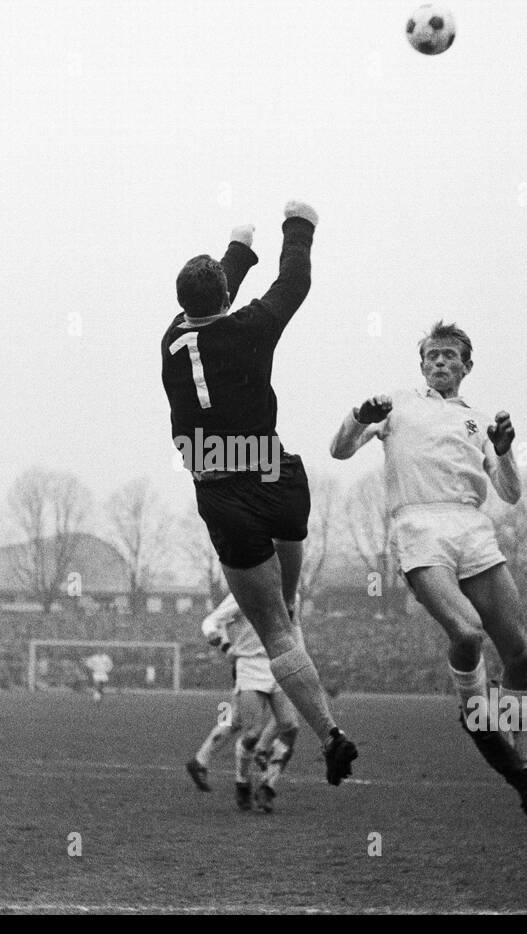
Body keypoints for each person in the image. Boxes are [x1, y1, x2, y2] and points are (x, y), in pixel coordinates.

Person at [161, 201, 357, 785]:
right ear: (224, 298)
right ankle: (294, 620)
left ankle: (331, 735)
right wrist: (297, 227)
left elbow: (213, 295)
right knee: (288, 612)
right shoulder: (250, 328)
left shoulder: (171, 338)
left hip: (219, 488)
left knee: (274, 630)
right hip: (271, 470)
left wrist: (236, 248)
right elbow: (293, 279)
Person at [330, 322, 527, 824]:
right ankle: (476, 713)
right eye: (432, 355)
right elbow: (339, 450)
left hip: (473, 528)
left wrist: (506, 448)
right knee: (468, 632)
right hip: (419, 526)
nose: (440, 363)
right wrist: (355, 417)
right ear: (422, 363)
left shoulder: (477, 420)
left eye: (451, 356)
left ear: (467, 366)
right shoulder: (397, 405)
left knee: (522, 654)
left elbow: (511, 493)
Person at [187, 593, 299, 812]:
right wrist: (224, 645)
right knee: (248, 728)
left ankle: (266, 787)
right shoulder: (246, 588)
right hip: (250, 666)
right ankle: (241, 778)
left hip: (281, 665)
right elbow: (211, 621)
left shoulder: (292, 594)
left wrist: (300, 662)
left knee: (288, 726)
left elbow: (295, 630)